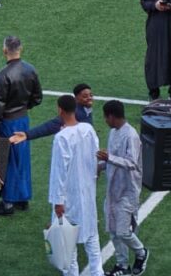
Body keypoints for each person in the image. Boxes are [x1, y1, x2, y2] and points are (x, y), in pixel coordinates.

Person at [0, 35, 43, 216]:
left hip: (7, 122)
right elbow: (37, 98)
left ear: (4, 50)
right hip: (23, 120)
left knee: (7, 160)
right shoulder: (30, 70)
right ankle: (22, 197)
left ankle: (8, 202)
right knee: (22, 159)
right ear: (21, 48)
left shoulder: (2, 75)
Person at [47, 94, 102, 276]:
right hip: (87, 191)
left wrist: (58, 200)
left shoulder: (61, 138)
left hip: (69, 196)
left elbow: (59, 171)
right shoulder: (88, 129)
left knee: (66, 242)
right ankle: (97, 273)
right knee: (92, 236)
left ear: (60, 110)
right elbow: (96, 155)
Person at [99, 100, 149, 276]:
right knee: (113, 230)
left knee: (123, 231)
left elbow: (131, 163)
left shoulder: (131, 135)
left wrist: (109, 158)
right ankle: (122, 265)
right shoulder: (113, 132)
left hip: (128, 191)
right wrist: (99, 165)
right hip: (113, 189)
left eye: (106, 117)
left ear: (112, 116)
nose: (105, 120)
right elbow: (111, 159)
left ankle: (142, 252)